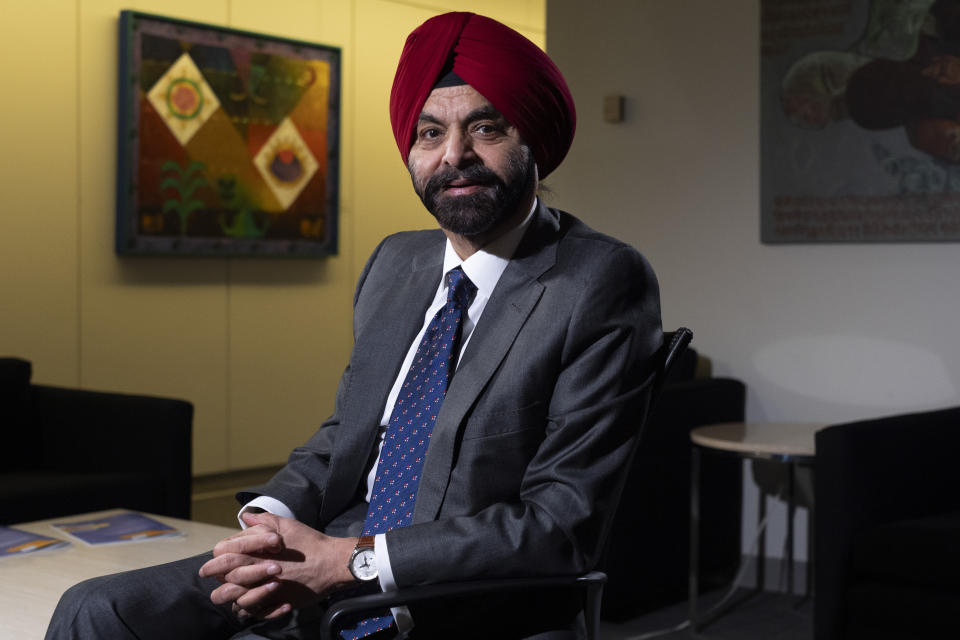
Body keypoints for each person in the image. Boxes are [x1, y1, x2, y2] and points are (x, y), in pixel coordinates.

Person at [46, 11, 662, 640]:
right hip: (321, 551)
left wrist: (349, 563)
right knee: (97, 609)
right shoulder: (397, 261)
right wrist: (269, 526)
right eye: (429, 133)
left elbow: (560, 523)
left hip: (453, 592)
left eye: (485, 127)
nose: (455, 155)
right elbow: (348, 434)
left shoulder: (598, 280)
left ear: (533, 140)